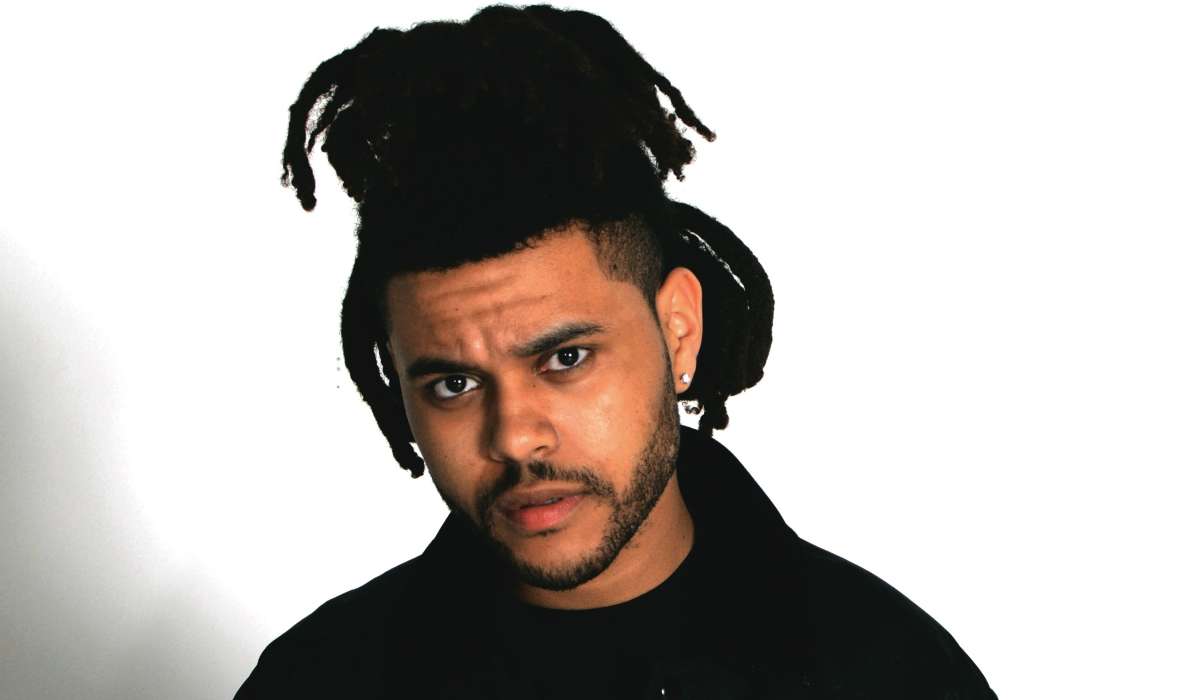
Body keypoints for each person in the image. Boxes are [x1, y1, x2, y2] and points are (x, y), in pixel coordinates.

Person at [235, 5, 996, 698]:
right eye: (453, 385)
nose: (514, 437)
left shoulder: (892, 675)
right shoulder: (317, 682)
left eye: (565, 359)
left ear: (678, 330)